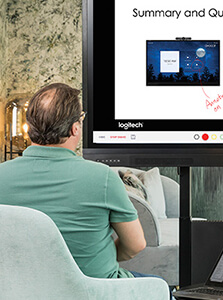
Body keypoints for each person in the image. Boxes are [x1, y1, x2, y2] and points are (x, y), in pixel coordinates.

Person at [0, 83, 149, 280]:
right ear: (74, 129)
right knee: (162, 286)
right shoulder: (103, 177)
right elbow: (135, 245)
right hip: (95, 291)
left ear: (29, 128)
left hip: (21, 290)